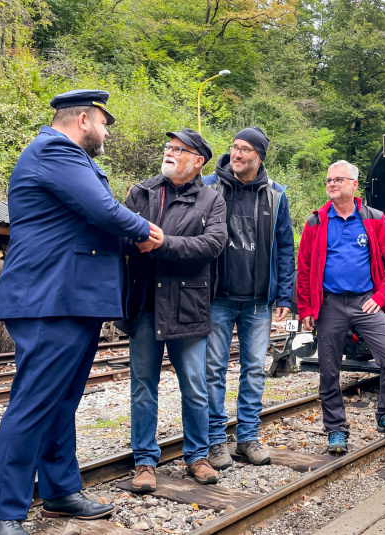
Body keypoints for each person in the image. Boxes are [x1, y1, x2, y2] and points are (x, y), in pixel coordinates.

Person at [0, 90, 157, 535]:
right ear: (83, 118)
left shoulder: (65, 158)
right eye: (103, 124)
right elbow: (102, 209)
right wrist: (144, 229)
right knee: (33, 404)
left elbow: (88, 225)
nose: (105, 134)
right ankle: (4, 513)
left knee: (61, 401)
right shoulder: (55, 151)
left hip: (73, 297)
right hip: (50, 296)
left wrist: (130, 239)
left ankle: (60, 492)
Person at [121, 128, 227, 491]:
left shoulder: (212, 200)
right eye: (168, 147)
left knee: (195, 387)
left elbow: (212, 244)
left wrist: (164, 243)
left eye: (178, 150)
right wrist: (135, 241)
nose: (169, 153)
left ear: (198, 161)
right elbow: (120, 235)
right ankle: (145, 462)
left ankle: (197, 456)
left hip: (188, 307)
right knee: (143, 387)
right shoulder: (142, 191)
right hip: (146, 304)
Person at [296, 160, 385, 455]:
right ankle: (336, 430)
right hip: (330, 303)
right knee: (329, 370)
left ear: (354, 184)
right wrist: (306, 309)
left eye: (338, 180)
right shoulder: (316, 222)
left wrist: (382, 296)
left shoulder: (373, 219)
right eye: (328, 180)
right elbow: (304, 268)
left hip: (365, 302)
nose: (331, 184)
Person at [202, 127, 295, 469]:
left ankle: (247, 437)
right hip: (218, 297)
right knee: (213, 371)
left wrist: (285, 294)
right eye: (234, 147)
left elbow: (286, 249)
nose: (237, 154)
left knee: (254, 370)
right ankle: (214, 440)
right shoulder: (209, 186)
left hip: (258, 302)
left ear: (259, 156)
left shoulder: (275, 195)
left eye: (245, 150)